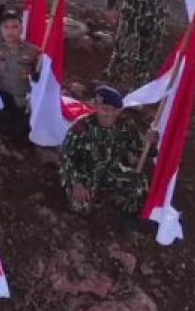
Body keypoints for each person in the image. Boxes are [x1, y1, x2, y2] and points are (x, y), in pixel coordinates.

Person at [59, 85, 152, 219]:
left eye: (114, 110)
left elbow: (141, 150)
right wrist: (76, 183)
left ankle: (127, 217)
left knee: (140, 185)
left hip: (111, 171)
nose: (110, 114)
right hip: (86, 175)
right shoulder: (81, 127)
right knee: (80, 206)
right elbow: (66, 156)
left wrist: (151, 142)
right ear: (96, 107)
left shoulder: (125, 126)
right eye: (105, 109)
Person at [0, 10, 42, 140]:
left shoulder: (33, 51)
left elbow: (41, 80)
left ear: (21, 28)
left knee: (20, 135)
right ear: (0, 29)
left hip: (22, 99)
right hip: (1, 95)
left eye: (14, 27)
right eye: (6, 27)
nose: (10, 31)